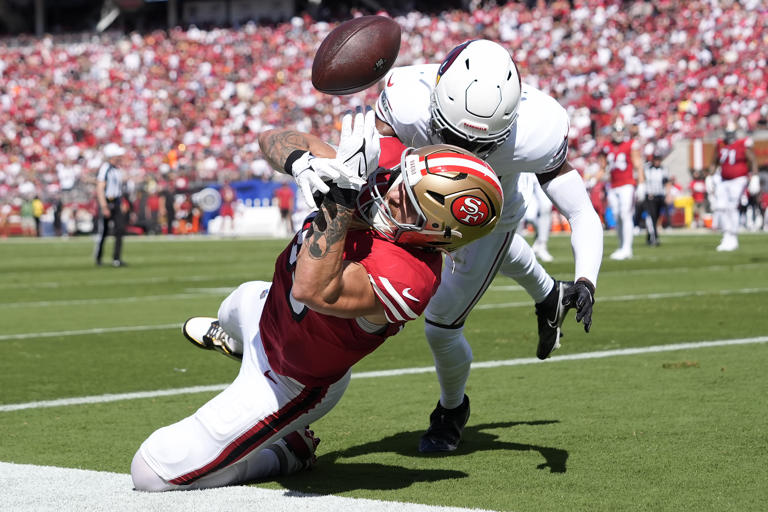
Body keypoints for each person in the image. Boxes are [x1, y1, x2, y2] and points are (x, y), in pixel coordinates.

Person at [130, 109, 504, 491]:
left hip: (291, 378)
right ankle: (237, 342)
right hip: (264, 310)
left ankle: (290, 450)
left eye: (408, 200)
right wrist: (302, 162)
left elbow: (311, 290)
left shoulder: (412, 277)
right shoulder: (388, 172)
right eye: (402, 179)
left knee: (152, 472)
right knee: (232, 306)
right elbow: (271, 138)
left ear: (436, 233)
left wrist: (341, 195)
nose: (391, 190)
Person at [370, 39, 603, 453]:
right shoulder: (406, 95)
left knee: (441, 324)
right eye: (451, 136)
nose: (462, 154)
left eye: (480, 147)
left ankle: (451, 410)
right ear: (435, 102)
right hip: (417, 198)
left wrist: (588, 279)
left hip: (490, 218)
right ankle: (550, 295)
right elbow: (379, 149)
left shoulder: (538, 129)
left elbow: (581, 212)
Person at [595, 119, 645, 260]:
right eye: (616, 130)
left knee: (625, 214)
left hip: (627, 184)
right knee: (617, 216)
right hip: (613, 185)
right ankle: (621, 246)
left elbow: (638, 164)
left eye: (621, 130)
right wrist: (593, 180)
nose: (618, 133)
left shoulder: (630, 145)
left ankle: (627, 248)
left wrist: (641, 183)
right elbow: (603, 168)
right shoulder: (607, 146)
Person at [710, 121, 759, 251]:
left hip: (739, 179)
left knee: (732, 207)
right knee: (720, 207)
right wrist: (710, 176)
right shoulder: (721, 144)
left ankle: (732, 236)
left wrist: (754, 176)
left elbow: (752, 159)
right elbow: (714, 161)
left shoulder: (742, 144)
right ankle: (727, 234)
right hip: (723, 179)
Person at [94, 143, 127, 267]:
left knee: (120, 230)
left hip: (116, 202)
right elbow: (100, 188)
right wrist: (104, 206)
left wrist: (122, 202)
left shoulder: (117, 169)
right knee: (104, 232)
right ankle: (98, 257)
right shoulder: (105, 168)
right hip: (107, 202)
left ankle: (116, 258)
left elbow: (118, 188)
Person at [519, 172, 554, 262]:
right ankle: (522, 247)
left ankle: (542, 245)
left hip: (541, 170)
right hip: (523, 174)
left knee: (546, 206)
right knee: (530, 216)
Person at [641, 151, 671, 246]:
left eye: (659, 160)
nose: (657, 162)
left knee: (657, 217)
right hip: (650, 196)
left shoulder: (664, 169)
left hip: (660, 196)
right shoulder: (647, 168)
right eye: (656, 159)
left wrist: (667, 194)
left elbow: (667, 182)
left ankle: (650, 236)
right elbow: (642, 179)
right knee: (651, 216)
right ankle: (654, 237)